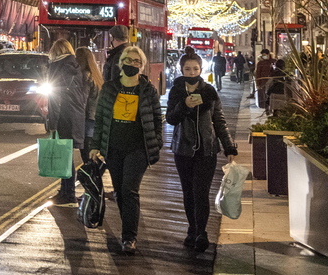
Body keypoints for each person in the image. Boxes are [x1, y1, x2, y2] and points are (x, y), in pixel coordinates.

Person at [88, 45, 163, 255]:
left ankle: (129, 237)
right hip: (114, 148)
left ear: (142, 65)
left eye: (136, 61)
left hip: (138, 148)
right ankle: (127, 225)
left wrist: (156, 142)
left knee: (130, 190)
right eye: (128, 60)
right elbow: (101, 119)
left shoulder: (148, 90)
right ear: (121, 63)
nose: (132, 64)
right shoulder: (109, 88)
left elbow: (157, 119)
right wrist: (95, 145)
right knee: (120, 192)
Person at [165, 52, 237, 251]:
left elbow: (219, 121)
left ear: (201, 69)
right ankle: (192, 228)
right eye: (187, 69)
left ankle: (201, 233)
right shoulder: (177, 91)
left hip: (207, 150)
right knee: (188, 193)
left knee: (201, 192)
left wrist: (229, 146)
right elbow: (170, 118)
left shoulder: (209, 92)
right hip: (183, 150)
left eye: (195, 69)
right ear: (181, 70)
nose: (192, 72)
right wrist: (184, 106)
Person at [46, 39, 90, 204]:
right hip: (76, 115)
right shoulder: (75, 66)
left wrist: (52, 123)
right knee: (67, 155)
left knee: (64, 157)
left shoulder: (57, 67)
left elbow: (55, 98)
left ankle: (68, 193)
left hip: (64, 115)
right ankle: (66, 191)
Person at [75, 46, 103, 155]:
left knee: (86, 153)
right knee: (91, 152)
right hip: (95, 118)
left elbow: (83, 100)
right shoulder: (96, 75)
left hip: (87, 119)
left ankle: (92, 171)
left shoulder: (85, 76)